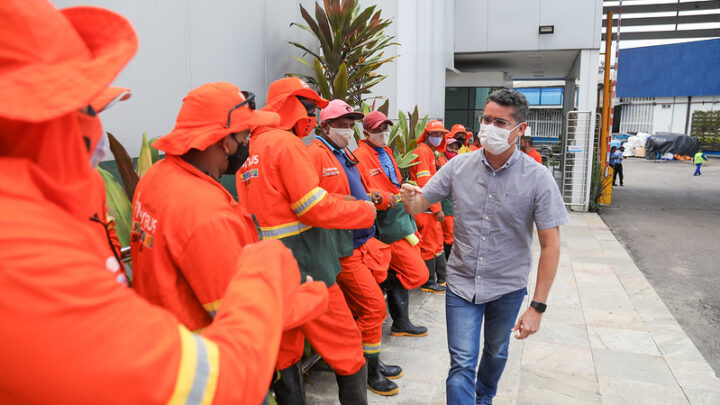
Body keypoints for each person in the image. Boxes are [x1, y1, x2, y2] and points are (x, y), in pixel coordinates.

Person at [0, 2, 328, 404]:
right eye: (87, 109)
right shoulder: (25, 257)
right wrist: (273, 273)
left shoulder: (156, 177)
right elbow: (223, 357)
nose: (247, 146)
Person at [401, 88, 568, 404]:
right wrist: (411, 200)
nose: (489, 127)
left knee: (495, 350)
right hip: (462, 285)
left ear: (520, 130)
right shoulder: (458, 167)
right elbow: (421, 203)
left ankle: (485, 396)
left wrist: (538, 307)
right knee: (462, 363)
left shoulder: (537, 177)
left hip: (507, 288)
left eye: (500, 123)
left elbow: (551, 245)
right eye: (486, 119)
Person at [131, 82, 327, 335]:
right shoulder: (206, 213)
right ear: (224, 142)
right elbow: (243, 318)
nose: (248, 143)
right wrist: (311, 296)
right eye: (245, 136)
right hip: (202, 357)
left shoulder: (154, 177)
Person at [237, 78, 376, 404]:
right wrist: (366, 211)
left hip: (270, 276)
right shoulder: (285, 145)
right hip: (308, 273)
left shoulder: (249, 148)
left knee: (285, 355)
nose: (313, 117)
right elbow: (311, 206)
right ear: (289, 105)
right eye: (310, 107)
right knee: (348, 350)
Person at [307, 100, 404, 396]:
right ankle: (369, 370)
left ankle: (371, 360)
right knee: (374, 307)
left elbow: (358, 187)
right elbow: (319, 202)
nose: (349, 130)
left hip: (361, 242)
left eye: (351, 124)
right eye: (343, 124)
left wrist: (377, 198)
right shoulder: (316, 155)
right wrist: (359, 206)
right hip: (342, 247)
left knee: (368, 309)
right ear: (325, 126)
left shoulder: (343, 151)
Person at [355, 110, 430, 339]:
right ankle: (384, 290)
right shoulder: (360, 156)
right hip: (385, 225)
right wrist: (389, 199)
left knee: (408, 272)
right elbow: (364, 194)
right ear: (366, 132)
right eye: (377, 129)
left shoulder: (385, 151)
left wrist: (405, 189)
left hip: (400, 219)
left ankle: (401, 321)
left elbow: (393, 183)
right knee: (417, 273)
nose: (384, 132)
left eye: (385, 127)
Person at [409, 120, 449, 293]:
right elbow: (426, 183)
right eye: (435, 134)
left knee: (437, 243)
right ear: (427, 135)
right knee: (430, 245)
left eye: (441, 134)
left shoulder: (430, 152)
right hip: (426, 208)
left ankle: (441, 279)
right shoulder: (423, 152)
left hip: (428, 206)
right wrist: (436, 208)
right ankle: (428, 282)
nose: (438, 137)